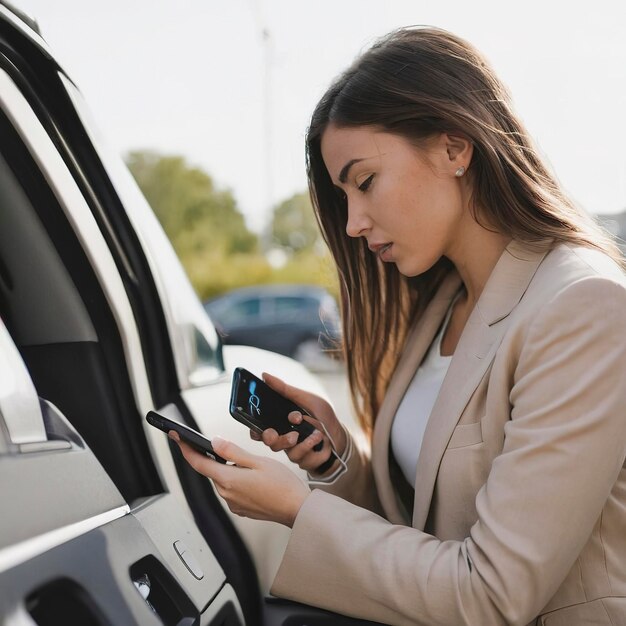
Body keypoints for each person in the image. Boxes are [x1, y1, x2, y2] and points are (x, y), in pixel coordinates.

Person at [171, 27, 626, 625]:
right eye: (344, 197)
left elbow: (490, 595)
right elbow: (425, 527)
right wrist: (336, 462)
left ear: (454, 148)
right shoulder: (440, 305)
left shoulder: (582, 304)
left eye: (365, 183)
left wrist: (296, 512)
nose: (354, 222)